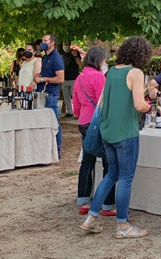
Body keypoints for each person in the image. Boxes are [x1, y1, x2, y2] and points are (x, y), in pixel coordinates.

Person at [79, 36, 152, 239]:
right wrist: (149, 105)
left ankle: (91, 219)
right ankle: (122, 225)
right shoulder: (136, 72)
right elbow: (139, 105)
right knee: (126, 178)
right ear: (142, 55)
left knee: (111, 175)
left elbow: (116, 97)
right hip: (126, 133)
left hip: (108, 131)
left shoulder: (111, 71)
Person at [72, 46, 115, 217]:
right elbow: (103, 102)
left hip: (83, 121)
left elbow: (75, 104)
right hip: (98, 122)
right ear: (99, 60)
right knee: (108, 163)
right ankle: (107, 203)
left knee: (87, 161)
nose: (105, 64)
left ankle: (83, 200)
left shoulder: (79, 77)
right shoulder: (98, 77)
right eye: (105, 60)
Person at [34, 33, 65, 154]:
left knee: (54, 122)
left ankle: (56, 149)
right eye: (43, 40)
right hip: (41, 94)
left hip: (51, 95)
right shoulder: (45, 57)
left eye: (46, 41)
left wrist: (43, 79)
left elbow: (60, 78)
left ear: (52, 43)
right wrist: (38, 77)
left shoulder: (56, 58)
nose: (43, 43)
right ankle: (46, 149)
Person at [61, 43, 83, 117]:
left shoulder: (75, 53)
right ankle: (69, 112)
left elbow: (79, 64)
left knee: (74, 96)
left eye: (66, 44)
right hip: (64, 79)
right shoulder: (62, 55)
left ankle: (77, 112)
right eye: (64, 45)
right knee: (66, 96)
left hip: (74, 79)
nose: (65, 46)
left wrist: (75, 56)